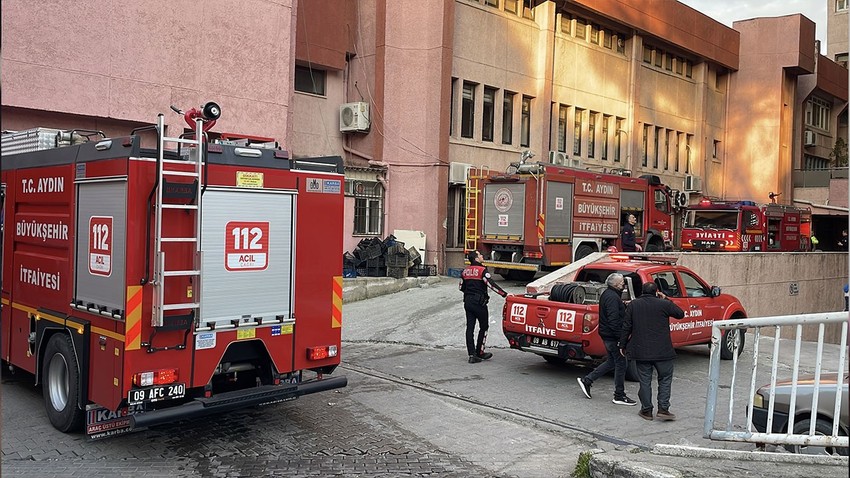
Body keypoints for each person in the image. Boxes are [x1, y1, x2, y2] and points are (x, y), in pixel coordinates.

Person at [618, 282, 685, 421]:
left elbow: (626, 327)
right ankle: (663, 409)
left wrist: (622, 345)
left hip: (641, 351)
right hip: (663, 351)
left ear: (642, 291)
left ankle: (646, 410)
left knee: (645, 381)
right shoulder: (664, 304)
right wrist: (666, 298)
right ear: (656, 292)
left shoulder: (634, 305)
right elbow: (680, 314)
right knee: (665, 379)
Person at [576, 273, 636, 406]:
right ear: (615, 284)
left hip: (607, 334)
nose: (623, 285)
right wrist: (621, 340)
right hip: (612, 336)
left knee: (611, 362)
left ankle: (587, 380)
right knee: (621, 364)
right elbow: (613, 320)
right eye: (621, 283)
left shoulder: (609, 294)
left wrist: (623, 305)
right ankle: (619, 395)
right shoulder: (612, 297)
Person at [460, 250, 508, 363]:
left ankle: (472, 354)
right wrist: (505, 294)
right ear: (476, 259)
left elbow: (461, 287)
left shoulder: (465, 271)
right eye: (480, 255)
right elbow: (491, 285)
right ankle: (480, 352)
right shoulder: (482, 270)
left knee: (470, 328)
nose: (482, 256)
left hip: (468, 302)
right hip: (479, 303)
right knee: (484, 326)